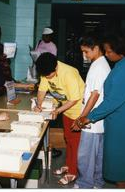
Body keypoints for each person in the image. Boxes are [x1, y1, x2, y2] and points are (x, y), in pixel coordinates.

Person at [71, 31, 125, 188]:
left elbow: (113, 101)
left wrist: (88, 117)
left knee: (121, 163)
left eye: (109, 51)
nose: (106, 55)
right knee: (119, 158)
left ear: (121, 51)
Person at [34, 53, 85, 185]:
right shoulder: (46, 70)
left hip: (78, 111)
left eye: (49, 75)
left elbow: (74, 99)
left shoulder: (69, 73)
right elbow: (41, 90)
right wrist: (38, 105)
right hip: (66, 110)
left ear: (56, 67)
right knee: (68, 139)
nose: (47, 78)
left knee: (75, 142)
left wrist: (57, 110)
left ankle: (73, 172)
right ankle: (69, 165)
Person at [72, 32, 111, 189]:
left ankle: (84, 184)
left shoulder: (99, 66)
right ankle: (96, 183)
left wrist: (82, 118)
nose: (84, 55)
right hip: (98, 121)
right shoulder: (102, 64)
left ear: (96, 48)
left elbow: (95, 95)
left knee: (86, 156)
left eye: (86, 51)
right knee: (98, 155)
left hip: (92, 121)